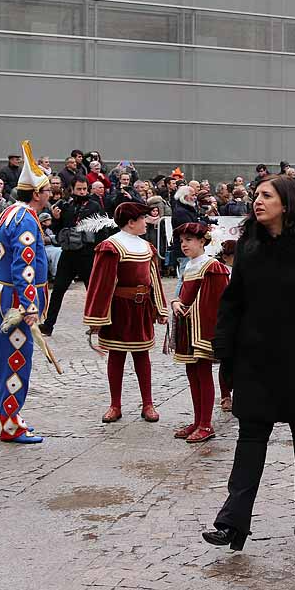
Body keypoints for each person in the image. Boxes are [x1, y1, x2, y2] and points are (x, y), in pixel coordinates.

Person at [203, 176, 295, 552]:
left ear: (286, 203)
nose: (257, 201)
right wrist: (225, 349)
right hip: (255, 359)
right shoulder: (249, 245)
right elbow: (234, 301)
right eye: (256, 195)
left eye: (266, 196)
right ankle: (233, 523)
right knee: (250, 439)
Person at [0, 141, 52, 443]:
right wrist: (30, 305)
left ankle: (7, 418)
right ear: (37, 193)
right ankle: (10, 425)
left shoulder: (10, 212)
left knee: (6, 361)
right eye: (49, 190)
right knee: (15, 362)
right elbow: (23, 267)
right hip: (16, 301)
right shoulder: (25, 219)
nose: (52, 195)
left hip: (3, 296)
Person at [83, 202, 168, 423]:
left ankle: (148, 404)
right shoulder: (111, 246)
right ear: (131, 222)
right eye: (142, 219)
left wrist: (159, 307)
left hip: (141, 310)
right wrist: (97, 318)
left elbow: (154, 280)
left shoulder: (147, 247)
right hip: (119, 310)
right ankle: (115, 405)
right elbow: (101, 285)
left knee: (143, 357)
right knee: (117, 356)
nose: (146, 223)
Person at [169, 222, 231, 444]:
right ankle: (197, 421)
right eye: (182, 240)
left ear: (202, 241)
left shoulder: (212, 267)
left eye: (189, 240)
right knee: (192, 374)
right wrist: (176, 303)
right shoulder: (189, 266)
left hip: (202, 329)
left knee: (203, 375)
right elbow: (183, 294)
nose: (184, 244)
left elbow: (216, 303)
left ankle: (206, 423)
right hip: (188, 327)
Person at [39, 178, 107, 337]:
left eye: (84, 189)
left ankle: (98, 325)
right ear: (72, 189)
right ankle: (48, 325)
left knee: (93, 291)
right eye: (79, 189)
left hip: (87, 254)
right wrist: (55, 219)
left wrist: (100, 251)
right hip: (68, 254)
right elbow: (58, 229)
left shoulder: (94, 206)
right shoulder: (65, 205)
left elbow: (102, 231)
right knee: (58, 290)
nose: (82, 192)